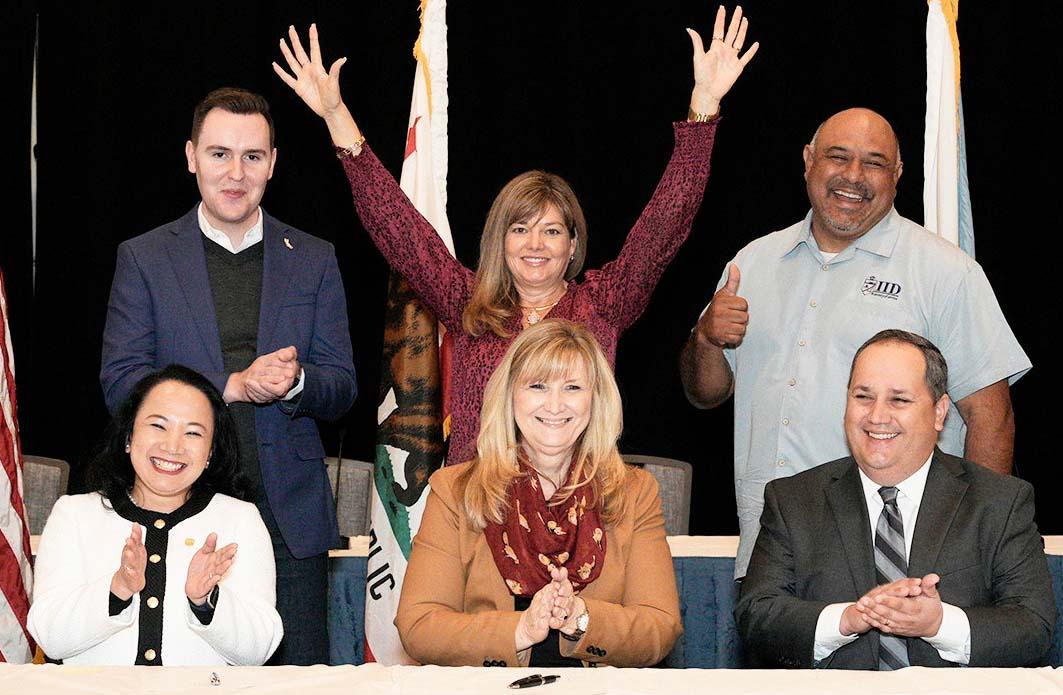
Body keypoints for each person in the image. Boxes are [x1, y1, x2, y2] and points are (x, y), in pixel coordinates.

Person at [273, 7, 759, 464]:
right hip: (476, 515)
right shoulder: (466, 303)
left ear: (573, 246)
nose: (535, 244)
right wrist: (337, 116)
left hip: (575, 516)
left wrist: (705, 107)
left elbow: (664, 226)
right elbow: (399, 228)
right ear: (499, 242)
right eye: (520, 228)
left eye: (552, 231)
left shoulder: (604, 304)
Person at [679, 108, 1030, 578]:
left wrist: (977, 547)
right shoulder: (755, 263)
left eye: (874, 163)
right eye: (838, 157)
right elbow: (705, 393)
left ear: (898, 174)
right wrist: (705, 338)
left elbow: (992, 417)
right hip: (768, 555)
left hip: (898, 560)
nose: (853, 176)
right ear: (808, 160)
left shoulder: (945, 273)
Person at [99, 88, 357, 665]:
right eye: (219, 154)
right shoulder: (144, 258)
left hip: (289, 524)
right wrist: (232, 385)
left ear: (273, 162)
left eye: (252, 156)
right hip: (175, 510)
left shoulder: (313, 257)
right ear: (191, 156)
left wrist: (294, 385)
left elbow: (341, 387)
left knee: (296, 679)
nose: (235, 173)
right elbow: (121, 383)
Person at [735, 330, 1054, 669]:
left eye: (899, 400)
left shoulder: (999, 502)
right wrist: (846, 619)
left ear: (939, 412)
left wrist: (939, 624)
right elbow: (757, 615)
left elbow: (1033, 626)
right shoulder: (793, 500)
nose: (877, 416)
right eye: (863, 397)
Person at [394, 320, 681, 667]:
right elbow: (419, 626)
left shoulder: (635, 493)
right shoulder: (455, 491)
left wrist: (582, 619)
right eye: (538, 386)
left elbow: (660, 627)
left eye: (573, 387)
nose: (555, 405)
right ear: (510, 395)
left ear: (597, 400)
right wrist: (520, 630)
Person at [28, 365, 283, 665]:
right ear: (128, 436)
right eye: (158, 426)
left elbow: (260, 650)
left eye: (192, 432)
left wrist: (205, 602)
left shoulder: (240, 519)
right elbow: (49, 637)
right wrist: (118, 588)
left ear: (211, 452)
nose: (172, 446)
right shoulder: (74, 514)